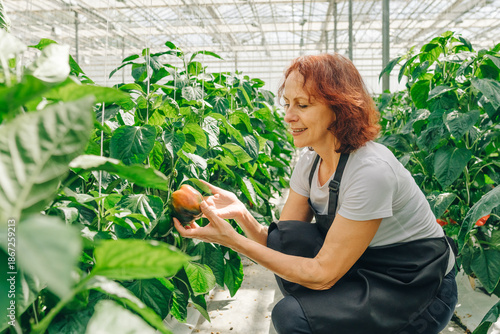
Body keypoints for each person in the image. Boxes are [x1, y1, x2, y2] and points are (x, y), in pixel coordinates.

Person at [174, 53, 458, 334]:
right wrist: (241, 214)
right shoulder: (311, 163)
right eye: (287, 104)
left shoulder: (370, 171)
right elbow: (278, 244)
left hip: (416, 286)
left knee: (293, 316)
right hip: (363, 267)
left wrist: (232, 240)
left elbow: (322, 276)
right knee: (286, 236)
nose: (288, 116)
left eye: (303, 105)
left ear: (340, 107)